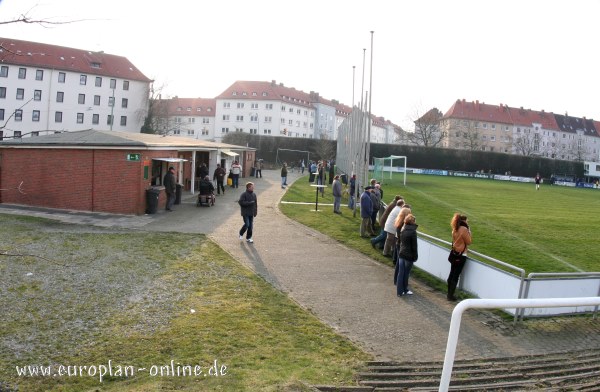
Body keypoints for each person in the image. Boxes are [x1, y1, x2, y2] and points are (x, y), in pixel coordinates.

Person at [447, 213, 472, 301]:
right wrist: (469, 231)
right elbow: (469, 241)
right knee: (456, 275)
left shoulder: (455, 228)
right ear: (464, 221)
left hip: (455, 252)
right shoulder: (464, 229)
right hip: (461, 255)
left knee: (452, 273)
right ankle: (450, 296)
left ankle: (449, 294)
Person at [395, 214, 418, 296]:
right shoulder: (413, 232)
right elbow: (414, 247)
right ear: (412, 222)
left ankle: (399, 291)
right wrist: (415, 257)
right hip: (408, 256)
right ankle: (405, 289)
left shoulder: (403, 229)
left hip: (401, 254)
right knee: (406, 273)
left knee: (401, 273)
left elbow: (401, 242)